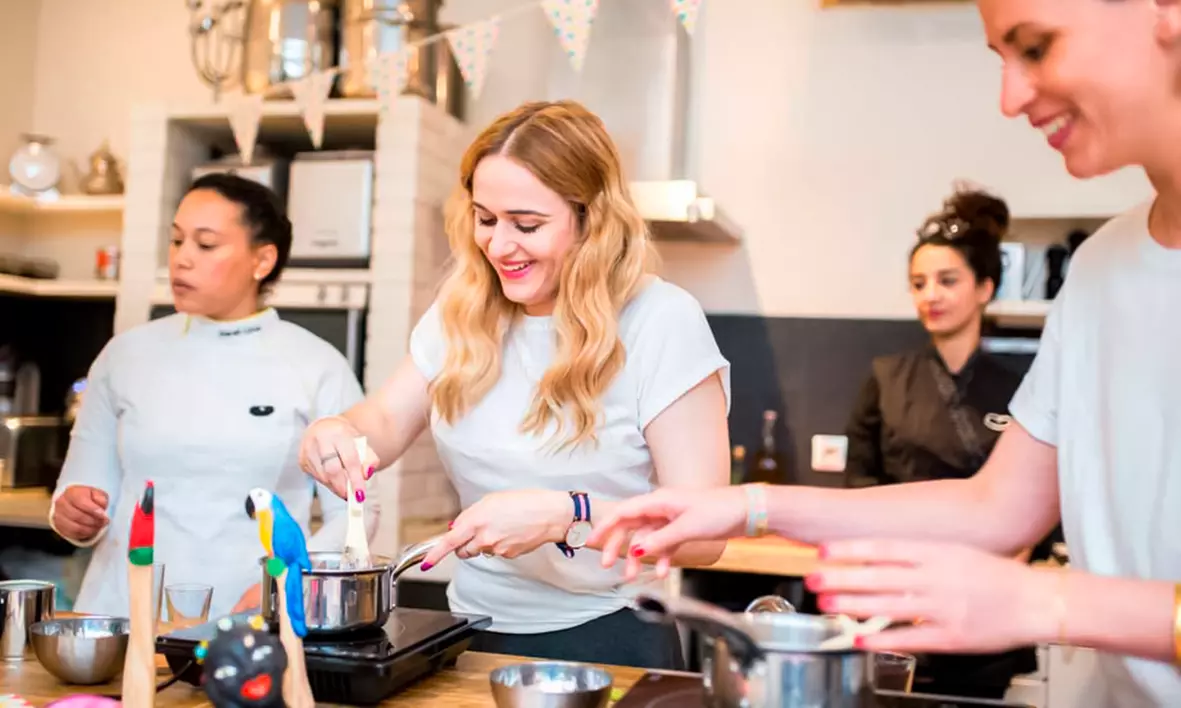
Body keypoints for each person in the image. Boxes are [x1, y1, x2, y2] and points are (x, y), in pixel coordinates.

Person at [590, 2, 1181, 704]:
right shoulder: (1099, 270)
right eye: (1000, 59)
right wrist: (747, 505)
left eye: (1035, 46)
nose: (1010, 98)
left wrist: (1048, 601)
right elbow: (994, 507)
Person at [298, 100, 730, 670]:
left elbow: (704, 533)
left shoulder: (660, 320)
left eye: (526, 225)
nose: (499, 246)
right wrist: (339, 431)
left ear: (591, 221)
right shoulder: (465, 306)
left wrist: (565, 515)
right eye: (485, 219)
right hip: (472, 634)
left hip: (610, 635)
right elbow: (381, 424)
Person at [49, 173, 379, 620]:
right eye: (177, 240)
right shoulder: (125, 354)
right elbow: (82, 486)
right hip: (117, 616)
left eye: (205, 245)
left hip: (249, 617)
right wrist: (71, 513)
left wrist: (286, 578)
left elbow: (358, 510)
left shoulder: (316, 364)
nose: (182, 259)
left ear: (262, 260)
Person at [843, 186, 1038, 699]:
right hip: (898, 596)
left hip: (986, 596)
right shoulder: (887, 378)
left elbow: (1037, 497)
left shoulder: (1023, 387)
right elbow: (862, 487)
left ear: (985, 287)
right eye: (918, 283)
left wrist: (992, 578)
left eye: (947, 280)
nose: (931, 295)